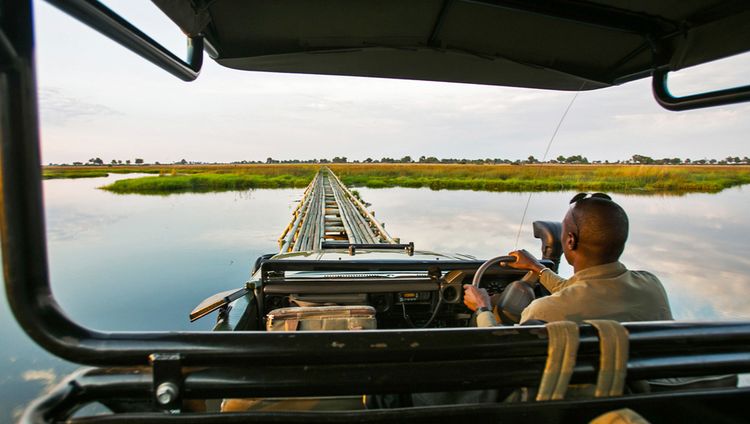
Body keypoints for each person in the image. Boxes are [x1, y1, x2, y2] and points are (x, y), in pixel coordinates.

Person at [464, 193, 673, 326]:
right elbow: (579, 290)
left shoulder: (544, 311)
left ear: (570, 241)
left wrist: (483, 308)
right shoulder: (652, 285)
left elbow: (505, 353)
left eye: (564, 230)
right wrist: (536, 268)